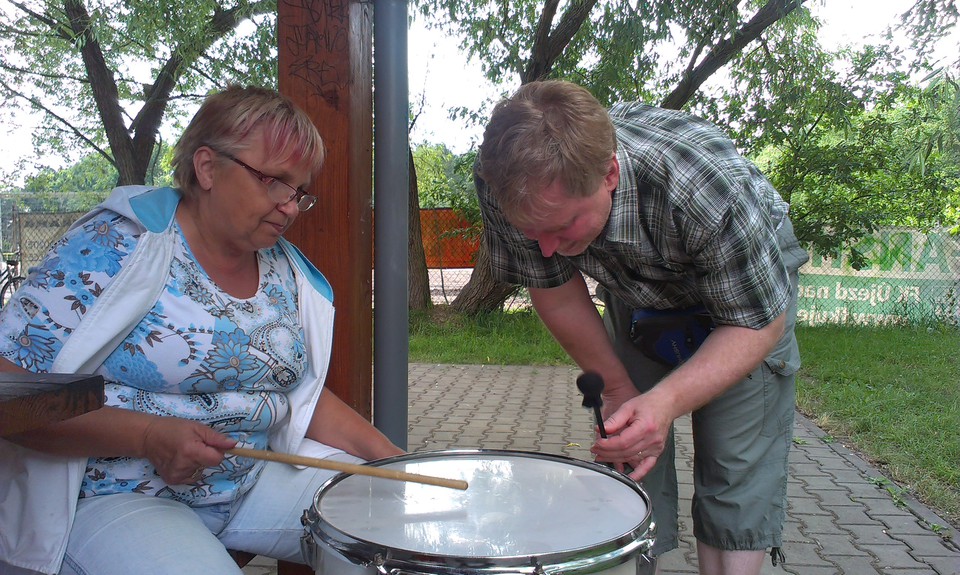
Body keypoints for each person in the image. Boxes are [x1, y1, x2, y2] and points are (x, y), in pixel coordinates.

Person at [0, 86, 404, 575]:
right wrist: (148, 435)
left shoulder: (285, 270)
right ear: (208, 167)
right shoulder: (114, 244)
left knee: (401, 527)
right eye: (275, 181)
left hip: (252, 482)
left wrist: (394, 463)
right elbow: (9, 388)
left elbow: (297, 395)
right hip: (117, 494)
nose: (291, 206)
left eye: (299, 191)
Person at [474, 80, 809, 575]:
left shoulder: (704, 187)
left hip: (746, 292)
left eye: (562, 226)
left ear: (609, 174)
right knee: (628, 446)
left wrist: (665, 403)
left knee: (734, 469)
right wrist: (616, 388)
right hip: (635, 284)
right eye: (531, 231)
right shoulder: (506, 180)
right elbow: (554, 288)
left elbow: (757, 323)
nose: (545, 247)